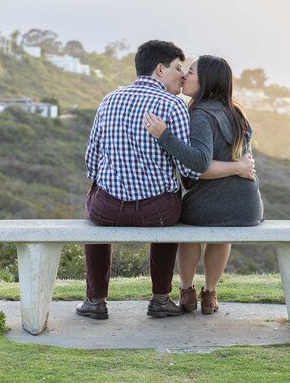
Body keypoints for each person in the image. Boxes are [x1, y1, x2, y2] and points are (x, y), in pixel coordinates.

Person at [79, 39, 203, 321]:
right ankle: (160, 298)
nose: (182, 75)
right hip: (157, 212)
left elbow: (91, 159)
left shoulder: (109, 99)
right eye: (177, 68)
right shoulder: (173, 106)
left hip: (106, 210)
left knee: (93, 203)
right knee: (172, 204)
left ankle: (95, 300)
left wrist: (105, 185)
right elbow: (189, 170)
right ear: (160, 70)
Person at [144, 55, 263, 315]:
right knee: (221, 232)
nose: (185, 75)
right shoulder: (237, 112)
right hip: (248, 208)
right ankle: (209, 294)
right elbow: (243, 161)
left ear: (206, 81)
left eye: (192, 72)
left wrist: (164, 136)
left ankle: (187, 291)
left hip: (211, 208)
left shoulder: (200, 114)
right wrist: (238, 168)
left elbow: (200, 164)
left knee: (187, 223)